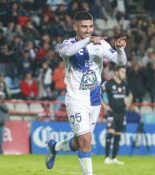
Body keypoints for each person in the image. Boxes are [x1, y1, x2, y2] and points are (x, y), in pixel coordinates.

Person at [46, 11, 127, 175]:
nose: (88, 30)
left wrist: (119, 50)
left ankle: (54, 147)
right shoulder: (68, 43)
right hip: (76, 99)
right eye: (84, 26)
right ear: (74, 26)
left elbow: (121, 62)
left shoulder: (100, 44)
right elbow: (66, 53)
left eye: (90, 26)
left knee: (79, 143)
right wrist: (87, 40)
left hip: (95, 100)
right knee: (86, 141)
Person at [102, 66, 132, 165]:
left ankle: (114, 158)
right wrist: (105, 106)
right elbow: (98, 93)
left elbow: (130, 95)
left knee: (118, 134)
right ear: (116, 72)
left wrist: (127, 105)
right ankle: (106, 157)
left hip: (122, 113)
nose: (124, 74)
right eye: (122, 72)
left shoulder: (125, 84)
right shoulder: (108, 83)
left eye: (125, 72)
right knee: (110, 132)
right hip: (112, 112)